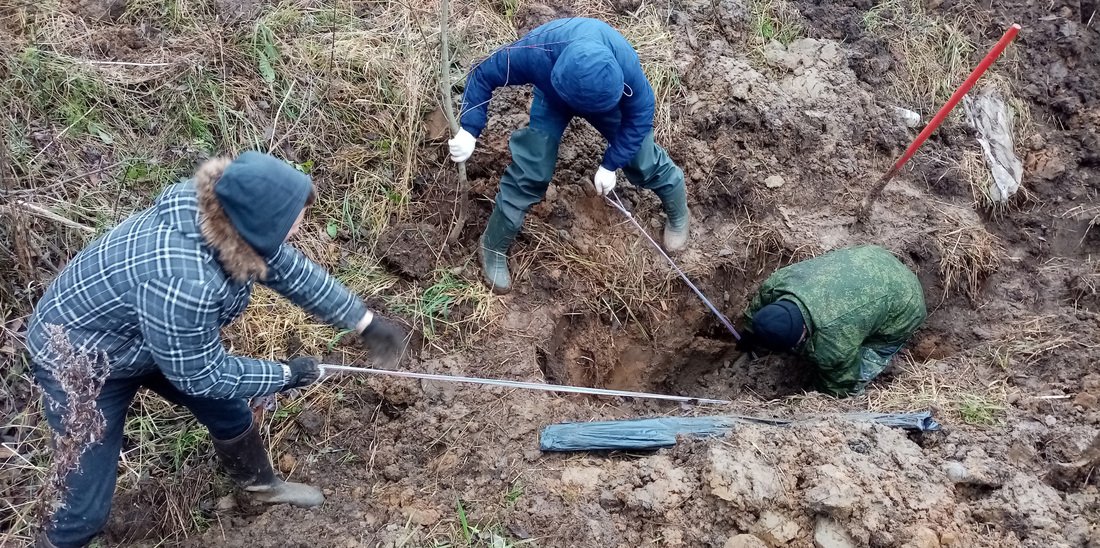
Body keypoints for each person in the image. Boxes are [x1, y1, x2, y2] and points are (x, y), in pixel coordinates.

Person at [26, 152, 407, 548]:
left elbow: (291, 270)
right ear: (261, 222)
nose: (301, 226)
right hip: (82, 359)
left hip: (153, 335)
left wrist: (364, 322)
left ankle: (262, 487)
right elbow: (201, 374)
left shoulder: (227, 218)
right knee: (83, 504)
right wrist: (285, 375)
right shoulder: (185, 279)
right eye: (296, 218)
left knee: (229, 411)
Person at [449, 17, 690, 294]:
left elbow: (640, 117)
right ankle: (493, 243)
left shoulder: (624, 66)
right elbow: (482, 74)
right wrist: (469, 130)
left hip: (604, 99)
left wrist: (611, 164)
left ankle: (678, 209)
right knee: (533, 168)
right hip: (555, 95)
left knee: (641, 158)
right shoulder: (536, 52)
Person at [741, 245, 927, 397]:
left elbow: (839, 383)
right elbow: (759, 303)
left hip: (906, 302)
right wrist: (750, 331)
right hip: (872, 257)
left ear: (804, 332)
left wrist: (816, 398)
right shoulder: (778, 284)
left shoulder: (833, 342)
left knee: (857, 374)